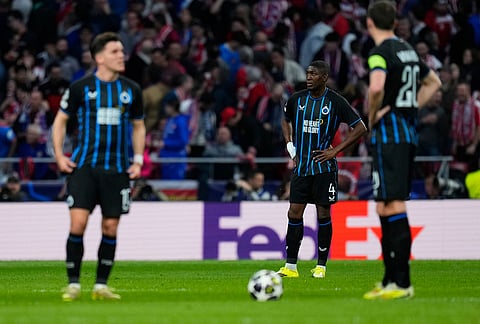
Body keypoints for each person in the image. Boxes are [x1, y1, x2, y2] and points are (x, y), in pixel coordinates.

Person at [51, 32, 146, 301]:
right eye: (115, 51)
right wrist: (59, 156)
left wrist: (138, 160)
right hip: (84, 168)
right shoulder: (81, 88)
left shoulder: (131, 90)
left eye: (122, 51)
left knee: (110, 227)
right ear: (99, 57)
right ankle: (73, 284)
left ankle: (101, 286)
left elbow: (139, 126)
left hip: (117, 170)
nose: (121, 55)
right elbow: (60, 121)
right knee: (78, 224)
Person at [363, 1, 442, 300]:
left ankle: (402, 283)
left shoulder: (379, 54)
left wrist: (372, 117)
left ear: (370, 23)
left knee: (393, 205)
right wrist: (410, 108)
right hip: (406, 132)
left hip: (389, 135)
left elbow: (376, 88)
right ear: (394, 22)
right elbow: (433, 82)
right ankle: (389, 281)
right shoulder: (407, 49)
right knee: (384, 205)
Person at [276, 60, 367, 279]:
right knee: (294, 212)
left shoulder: (335, 102)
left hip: (324, 169)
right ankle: (291, 266)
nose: (309, 77)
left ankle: (321, 266)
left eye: (314, 74)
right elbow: (285, 120)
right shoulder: (297, 100)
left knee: (323, 213)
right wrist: (290, 147)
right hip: (301, 168)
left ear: (324, 78)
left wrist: (335, 150)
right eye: (308, 73)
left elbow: (360, 127)